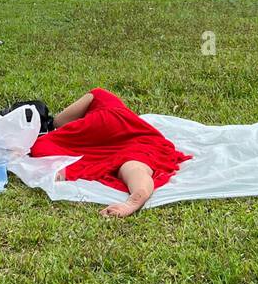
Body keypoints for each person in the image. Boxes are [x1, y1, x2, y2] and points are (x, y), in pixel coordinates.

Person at [29, 88, 190, 218]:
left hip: (91, 132)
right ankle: (137, 193)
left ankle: (62, 167)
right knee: (135, 163)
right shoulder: (100, 95)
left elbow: (59, 122)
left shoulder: (53, 133)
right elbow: (61, 119)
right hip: (127, 128)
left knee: (43, 146)